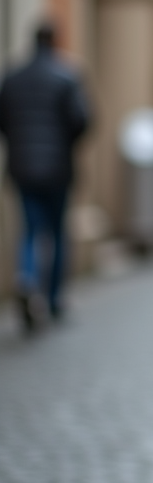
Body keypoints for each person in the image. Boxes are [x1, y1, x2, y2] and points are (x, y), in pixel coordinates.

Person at [0, 21, 91, 331]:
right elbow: (82, 120)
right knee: (55, 232)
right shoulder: (67, 76)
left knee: (29, 228)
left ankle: (26, 277)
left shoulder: (12, 78)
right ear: (56, 41)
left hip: (23, 167)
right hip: (57, 169)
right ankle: (52, 299)